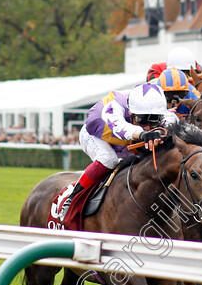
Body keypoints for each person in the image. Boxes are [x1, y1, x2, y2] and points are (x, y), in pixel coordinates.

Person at [58, 83, 174, 218]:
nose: (148, 127)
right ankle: (72, 198)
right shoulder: (114, 106)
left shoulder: (155, 108)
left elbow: (172, 119)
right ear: (131, 112)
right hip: (96, 135)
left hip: (125, 141)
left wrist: (162, 132)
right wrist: (143, 134)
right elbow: (120, 127)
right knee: (108, 159)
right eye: (142, 120)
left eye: (153, 121)